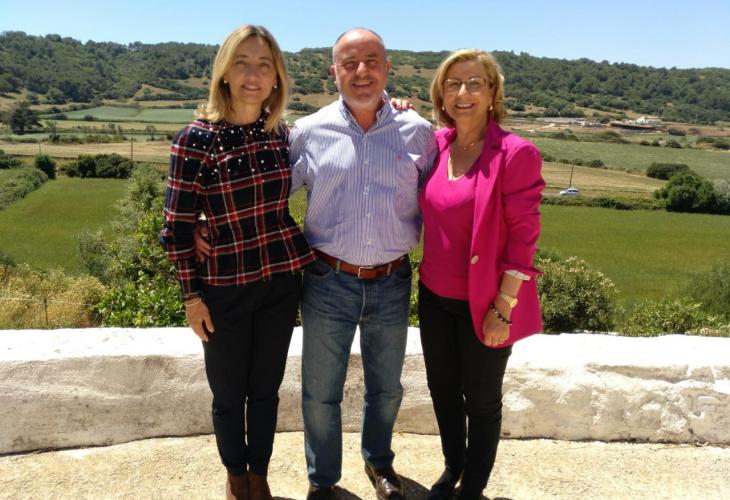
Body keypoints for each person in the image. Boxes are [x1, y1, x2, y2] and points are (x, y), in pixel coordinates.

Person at [160, 25, 315, 500]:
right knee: (228, 395)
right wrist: (191, 297)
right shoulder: (196, 140)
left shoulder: (281, 136)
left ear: (276, 78)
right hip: (223, 288)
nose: (253, 75)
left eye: (264, 65)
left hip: (280, 282)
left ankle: (259, 474)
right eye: (242, 63)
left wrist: (395, 103)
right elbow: (177, 228)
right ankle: (235, 476)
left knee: (266, 391)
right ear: (224, 73)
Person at [290, 29, 436, 500]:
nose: (361, 71)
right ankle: (322, 481)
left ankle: (379, 463)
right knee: (320, 391)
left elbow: (445, 196)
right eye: (349, 62)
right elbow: (268, 196)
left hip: (393, 279)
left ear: (388, 68)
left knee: (387, 387)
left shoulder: (418, 131)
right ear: (333, 71)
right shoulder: (308, 132)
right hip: (327, 278)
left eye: (371, 60)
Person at [417, 49, 544, 500]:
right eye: (453, 83)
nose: (463, 92)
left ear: (492, 93)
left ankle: (472, 488)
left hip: (487, 301)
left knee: (482, 399)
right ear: (441, 94)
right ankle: (453, 465)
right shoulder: (437, 145)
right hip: (433, 295)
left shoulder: (514, 153)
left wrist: (503, 308)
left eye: (475, 83)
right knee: (442, 390)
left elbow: (524, 238)